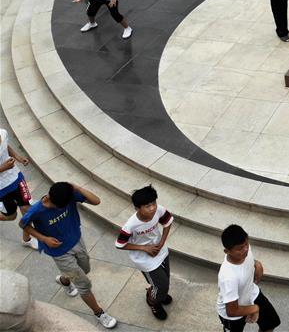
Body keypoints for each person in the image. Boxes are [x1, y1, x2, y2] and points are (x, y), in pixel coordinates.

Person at [20, 181, 118, 329]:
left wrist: (77, 187)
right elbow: (23, 224)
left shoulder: (68, 196)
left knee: (85, 268)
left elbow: (96, 201)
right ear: (49, 199)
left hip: (77, 241)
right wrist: (43, 238)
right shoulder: (36, 211)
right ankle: (99, 313)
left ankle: (65, 279)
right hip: (60, 252)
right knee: (83, 284)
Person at [116, 185, 174, 320]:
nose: (152, 208)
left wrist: (162, 242)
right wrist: (144, 248)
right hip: (144, 259)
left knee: (165, 281)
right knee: (161, 285)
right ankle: (152, 301)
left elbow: (168, 222)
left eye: (153, 203)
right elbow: (120, 244)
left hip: (160, 251)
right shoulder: (131, 225)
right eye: (147, 206)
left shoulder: (159, 210)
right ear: (137, 208)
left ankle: (159, 294)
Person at [217, 224, 281, 332]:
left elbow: (247, 260)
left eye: (246, 244)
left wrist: (257, 263)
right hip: (233, 313)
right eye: (240, 248)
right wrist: (254, 308)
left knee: (270, 323)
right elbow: (232, 310)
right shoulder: (228, 277)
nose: (246, 249)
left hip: (252, 293)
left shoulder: (244, 248)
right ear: (227, 251)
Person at [0, 128, 38, 250]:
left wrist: (18, 157)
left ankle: (26, 239)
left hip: (16, 178)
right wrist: (3, 168)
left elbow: (5, 146)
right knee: (12, 216)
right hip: (2, 188)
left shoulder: (2, 133)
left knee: (27, 209)